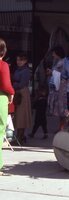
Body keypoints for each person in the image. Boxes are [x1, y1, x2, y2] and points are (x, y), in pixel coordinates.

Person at [0, 38, 15, 173]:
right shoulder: (3, 65)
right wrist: (11, 93)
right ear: (3, 52)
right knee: (0, 130)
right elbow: (5, 84)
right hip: (0, 97)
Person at [12, 52, 32, 144]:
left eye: (21, 60)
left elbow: (21, 84)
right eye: (17, 60)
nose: (19, 62)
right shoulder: (18, 69)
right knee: (17, 115)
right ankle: (19, 136)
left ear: (25, 61)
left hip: (23, 93)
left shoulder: (26, 71)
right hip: (17, 92)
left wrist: (14, 84)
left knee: (22, 115)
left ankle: (20, 136)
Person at [47, 46, 67, 132]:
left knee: (62, 109)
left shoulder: (63, 62)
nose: (52, 55)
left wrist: (52, 72)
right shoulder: (58, 62)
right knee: (59, 110)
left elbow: (61, 74)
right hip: (56, 88)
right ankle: (61, 127)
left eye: (54, 53)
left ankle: (62, 127)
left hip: (61, 89)